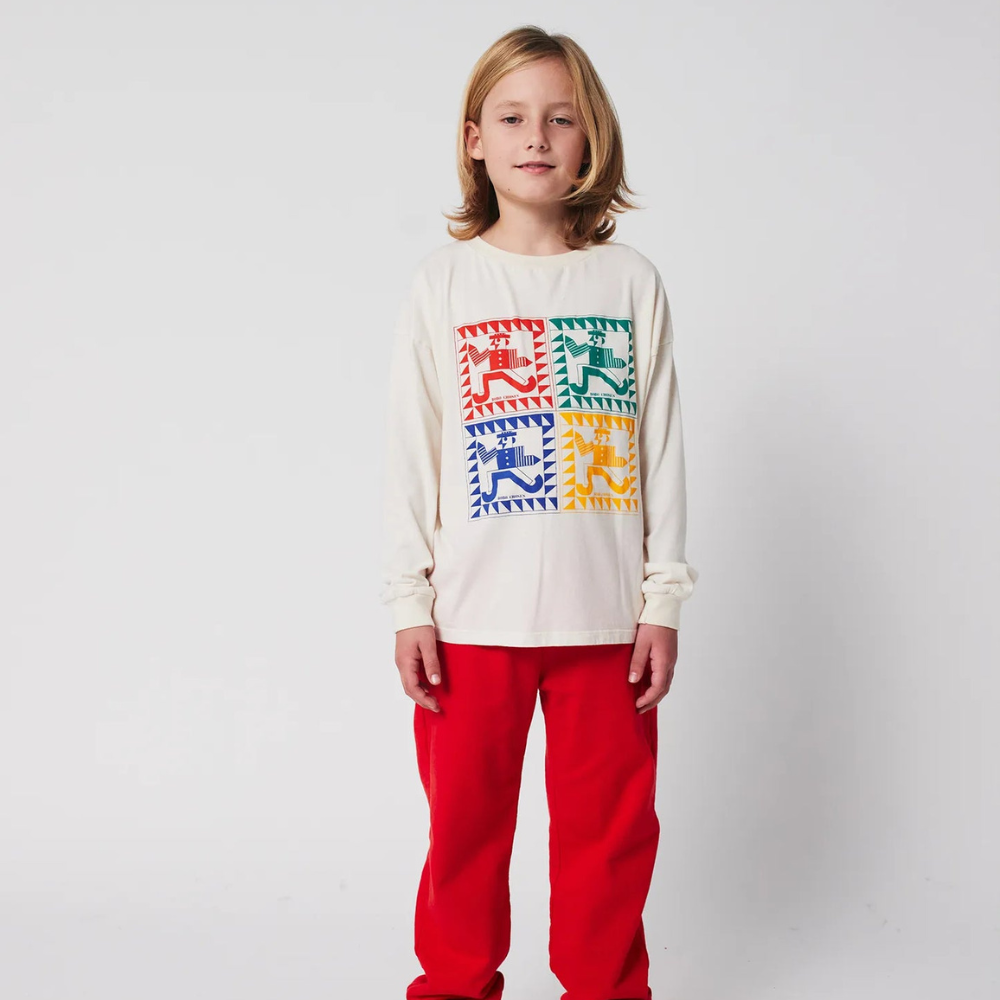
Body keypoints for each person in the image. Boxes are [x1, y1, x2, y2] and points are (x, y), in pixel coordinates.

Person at [379, 24, 699, 1000]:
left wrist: (662, 601)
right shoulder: (444, 282)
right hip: (471, 622)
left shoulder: (628, 281)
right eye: (513, 117)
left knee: (610, 836)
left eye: (561, 118)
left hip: (605, 624)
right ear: (474, 139)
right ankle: (455, 986)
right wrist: (409, 602)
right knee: (464, 834)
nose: (536, 137)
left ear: (590, 136)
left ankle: (606, 989)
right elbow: (412, 453)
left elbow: (660, 449)